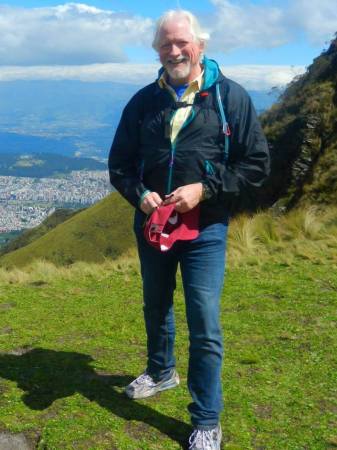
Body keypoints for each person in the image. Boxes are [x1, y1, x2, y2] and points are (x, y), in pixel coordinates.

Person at [108, 9, 269, 450]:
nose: (173, 51)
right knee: (155, 305)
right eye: (165, 45)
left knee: (204, 320)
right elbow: (119, 165)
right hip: (154, 226)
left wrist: (207, 189)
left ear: (201, 45)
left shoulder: (230, 98)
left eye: (181, 43)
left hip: (207, 228)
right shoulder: (143, 102)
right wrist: (140, 194)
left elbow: (256, 165)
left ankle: (206, 420)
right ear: (157, 51)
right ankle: (162, 372)